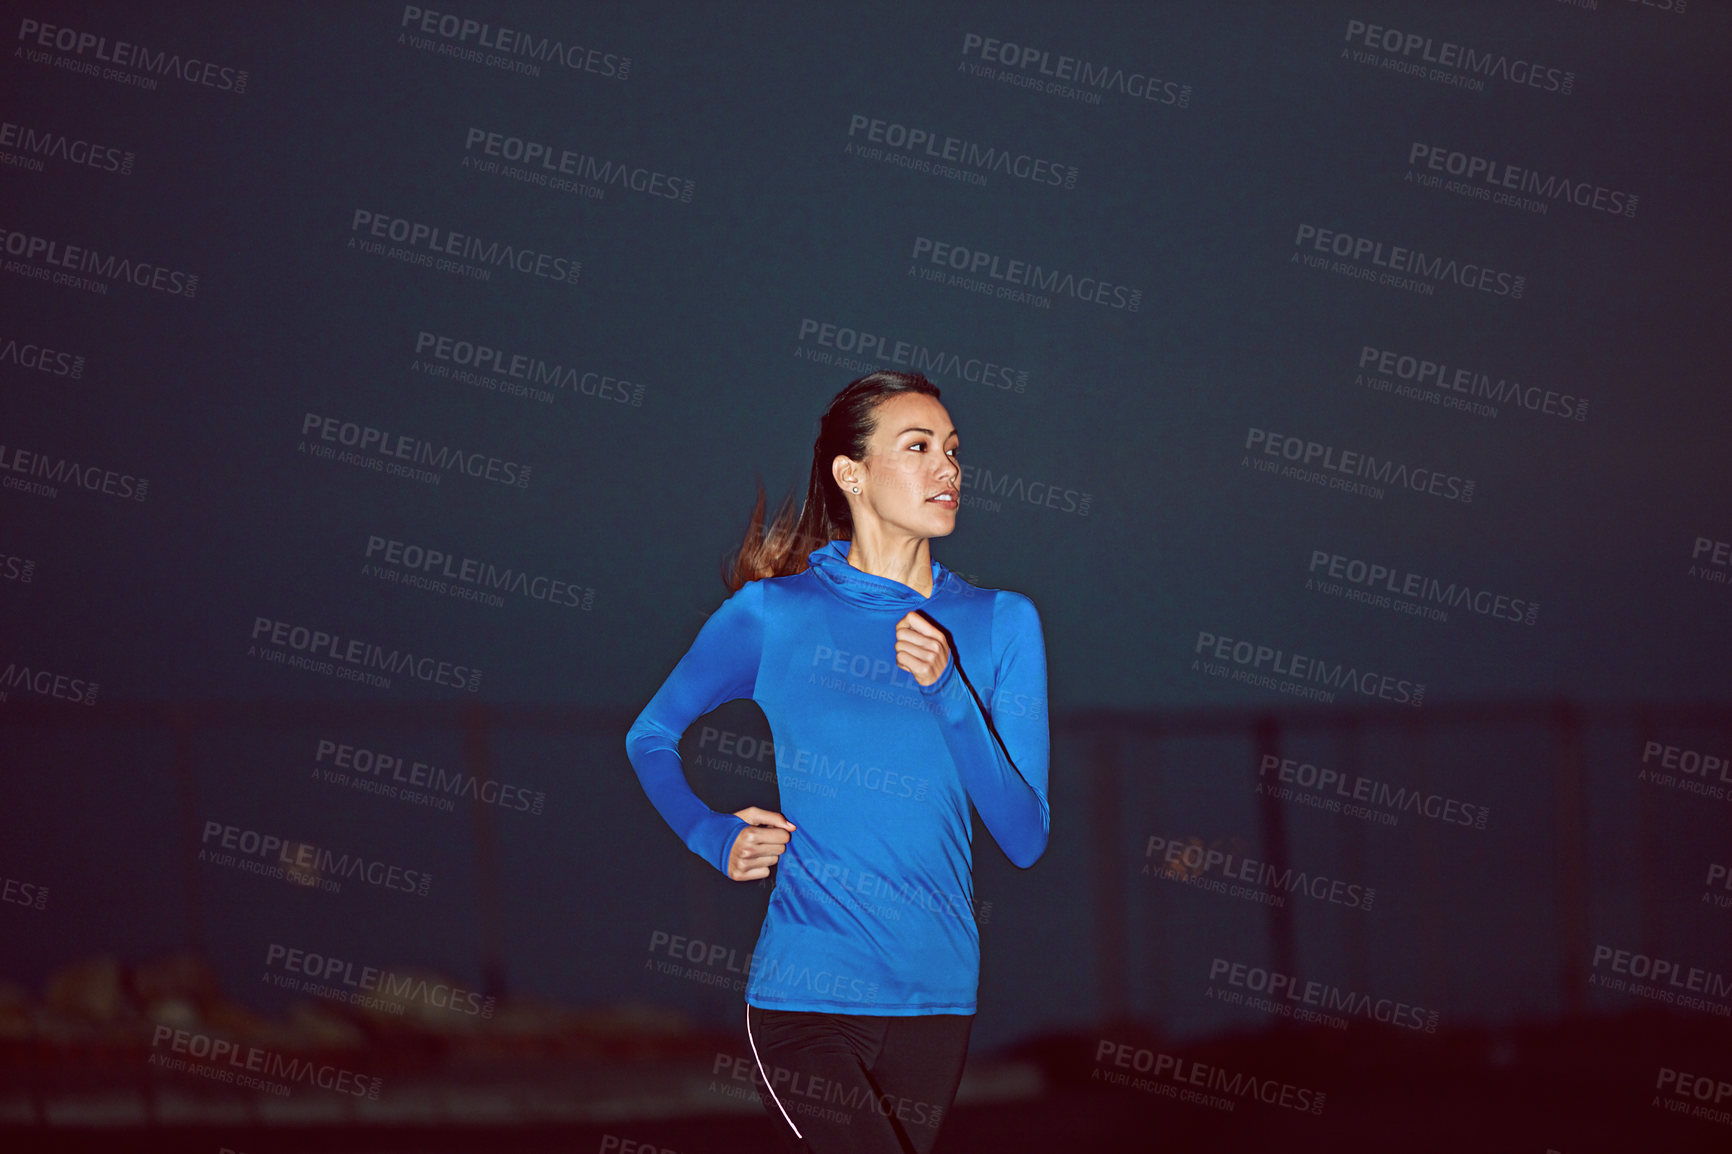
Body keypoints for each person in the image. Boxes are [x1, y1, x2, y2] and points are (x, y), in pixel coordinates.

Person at [625, 370, 1050, 1153]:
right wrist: (709, 835)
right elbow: (650, 736)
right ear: (850, 474)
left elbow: (1024, 837)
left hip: (939, 998)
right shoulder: (772, 615)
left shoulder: (1001, 625)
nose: (947, 469)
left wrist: (950, 692)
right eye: (917, 447)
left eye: (953, 450)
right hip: (806, 996)